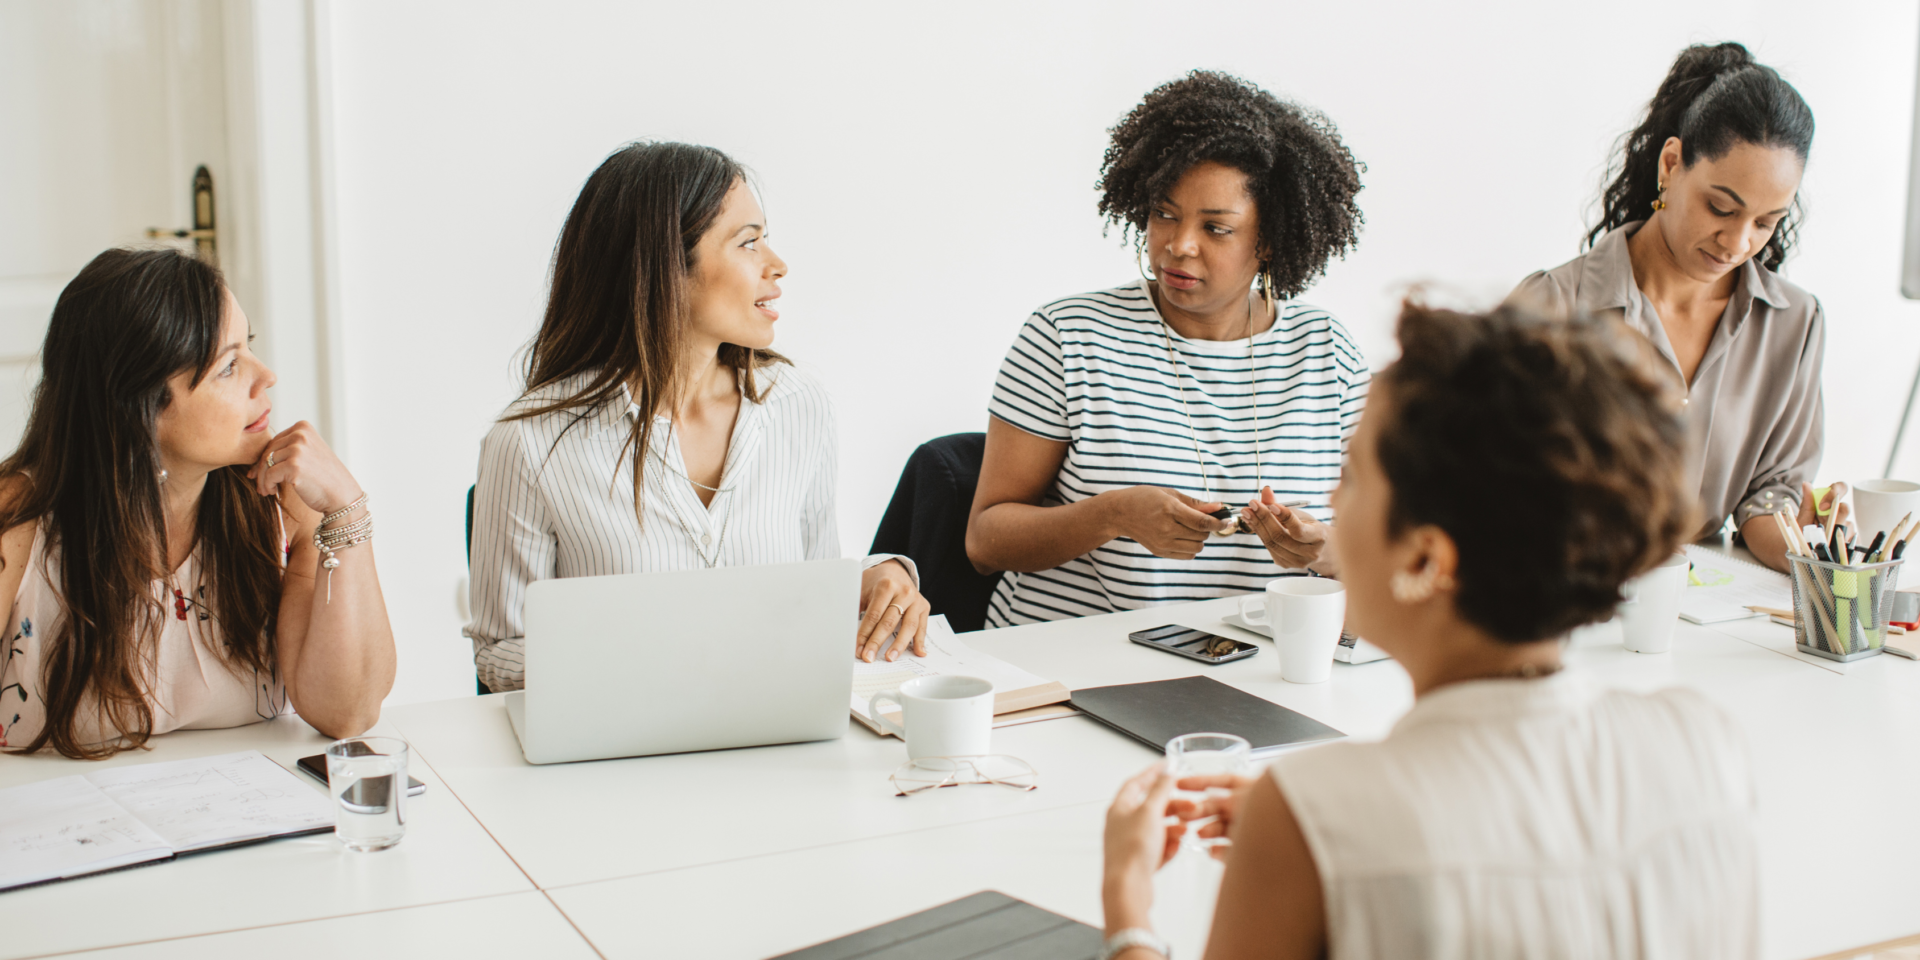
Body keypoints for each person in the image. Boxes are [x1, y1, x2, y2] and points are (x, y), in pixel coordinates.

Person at [1098, 301, 1757, 959]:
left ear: (1424, 559)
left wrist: (1128, 903)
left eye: (1351, 476)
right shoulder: (1706, 744)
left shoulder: (1304, 813)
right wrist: (1316, 830)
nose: (1329, 502)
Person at [466, 141, 929, 693]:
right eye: (749, 243)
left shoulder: (798, 404)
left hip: (777, 740)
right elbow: (501, 654)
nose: (777, 265)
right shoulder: (527, 443)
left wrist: (874, 578)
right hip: (624, 760)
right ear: (665, 268)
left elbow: (810, 586)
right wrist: (652, 671)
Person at [966, 71, 1368, 627]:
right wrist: (1114, 515)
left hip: (1260, 671)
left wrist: (1324, 550)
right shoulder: (1068, 335)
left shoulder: (1328, 352)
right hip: (1072, 668)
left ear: (1270, 239)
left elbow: (1385, 546)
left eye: (1216, 228)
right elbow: (986, 541)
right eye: (1165, 213)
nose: (1178, 245)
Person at [0, 248, 394, 759]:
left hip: (249, 819)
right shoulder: (19, 520)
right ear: (139, 407)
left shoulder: (281, 502)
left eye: (247, 347)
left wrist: (347, 511)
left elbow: (348, 713)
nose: (266, 375)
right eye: (229, 366)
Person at [1511, 41, 1840, 572]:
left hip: (1708, 605)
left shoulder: (1794, 324)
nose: (1736, 243)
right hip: (1560, 587)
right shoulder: (1554, 306)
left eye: (1766, 222)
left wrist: (1814, 545)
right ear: (1671, 164)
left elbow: (1769, 495)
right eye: (1721, 207)